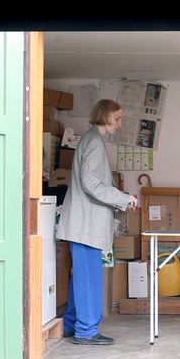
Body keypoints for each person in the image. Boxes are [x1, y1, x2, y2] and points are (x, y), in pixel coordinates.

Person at [56, 99, 138, 346]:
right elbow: (92, 184)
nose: (120, 124)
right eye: (118, 118)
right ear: (105, 116)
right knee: (89, 278)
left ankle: (72, 325)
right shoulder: (93, 142)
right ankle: (87, 331)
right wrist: (124, 198)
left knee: (81, 278)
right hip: (86, 226)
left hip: (83, 225)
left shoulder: (92, 140)